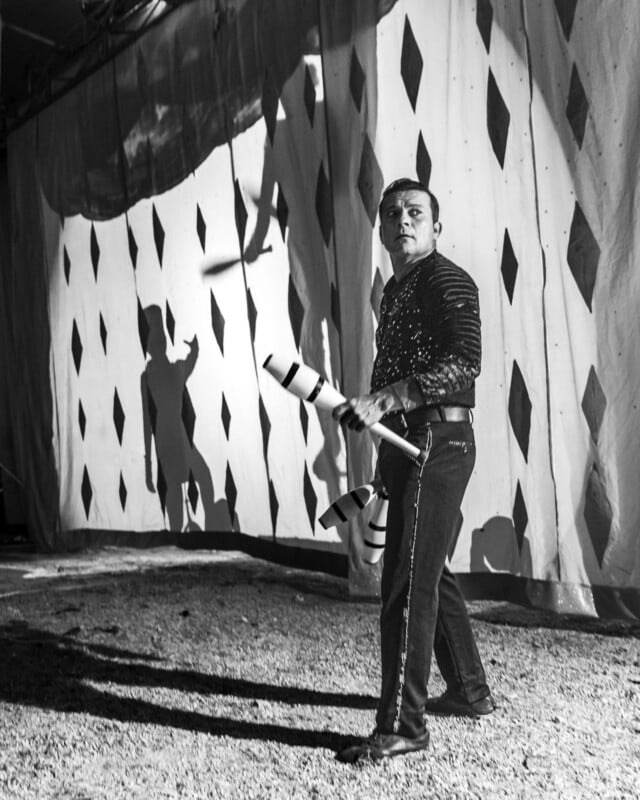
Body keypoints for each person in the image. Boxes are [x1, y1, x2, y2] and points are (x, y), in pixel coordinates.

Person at [334, 178, 495, 763]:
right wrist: (382, 451)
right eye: (393, 213)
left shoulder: (447, 279)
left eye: (416, 212)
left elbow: (463, 363)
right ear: (381, 228)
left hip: (439, 440)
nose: (403, 220)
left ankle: (403, 725)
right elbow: (391, 382)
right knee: (429, 567)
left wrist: (382, 403)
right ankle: (471, 691)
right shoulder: (397, 293)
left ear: (435, 227)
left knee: (404, 578)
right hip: (407, 443)